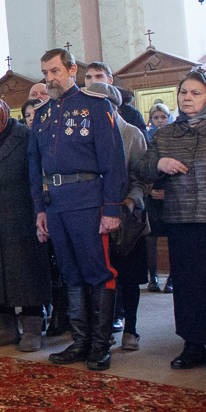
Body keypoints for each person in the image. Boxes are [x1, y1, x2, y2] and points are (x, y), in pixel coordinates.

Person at [28, 48, 126, 371]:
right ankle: (80, 341)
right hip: (55, 203)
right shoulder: (42, 115)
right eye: (45, 73)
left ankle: (100, 345)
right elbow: (34, 168)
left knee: (98, 273)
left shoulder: (95, 107)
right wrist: (40, 210)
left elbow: (113, 163)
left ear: (72, 70)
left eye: (55, 71)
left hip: (89, 201)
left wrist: (111, 209)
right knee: (70, 274)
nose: (49, 78)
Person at [135, 70, 206, 374]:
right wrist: (159, 163)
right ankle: (193, 345)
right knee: (188, 287)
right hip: (181, 220)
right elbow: (143, 168)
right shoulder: (165, 134)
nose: (187, 98)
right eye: (183, 93)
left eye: (195, 93)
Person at [0, 100, 51, 351]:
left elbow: (37, 177)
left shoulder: (24, 137)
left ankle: (33, 330)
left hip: (22, 217)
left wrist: (40, 213)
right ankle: (7, 329)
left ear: (1, 118)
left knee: (27, 273)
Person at [86, 82, 149, 352]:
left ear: (113, 105)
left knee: (128, 278)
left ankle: (131, 329)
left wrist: (129, 201)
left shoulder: (132, 134)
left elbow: (142, 177)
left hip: (127, 218)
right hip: (94, 215)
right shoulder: (85, 133)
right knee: (101, 277)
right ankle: (103, 329)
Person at [144, 102, 172, 293]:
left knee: (173, 236)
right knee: (150, 236)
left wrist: (168, 192)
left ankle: (172, 278)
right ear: (151, 119)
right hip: (151, 192)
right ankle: (153, 276)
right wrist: (150, 189)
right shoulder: (145, 136)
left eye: (163, 117)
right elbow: (141, 165)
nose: (160, 121)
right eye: (156, 118)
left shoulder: (174, 136)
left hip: (171, 193)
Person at [85, 62, 147, 132]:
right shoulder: (79, 108)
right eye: (88, 77)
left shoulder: (131, 113)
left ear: (110, 80)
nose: (93, 81)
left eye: (99, 76)